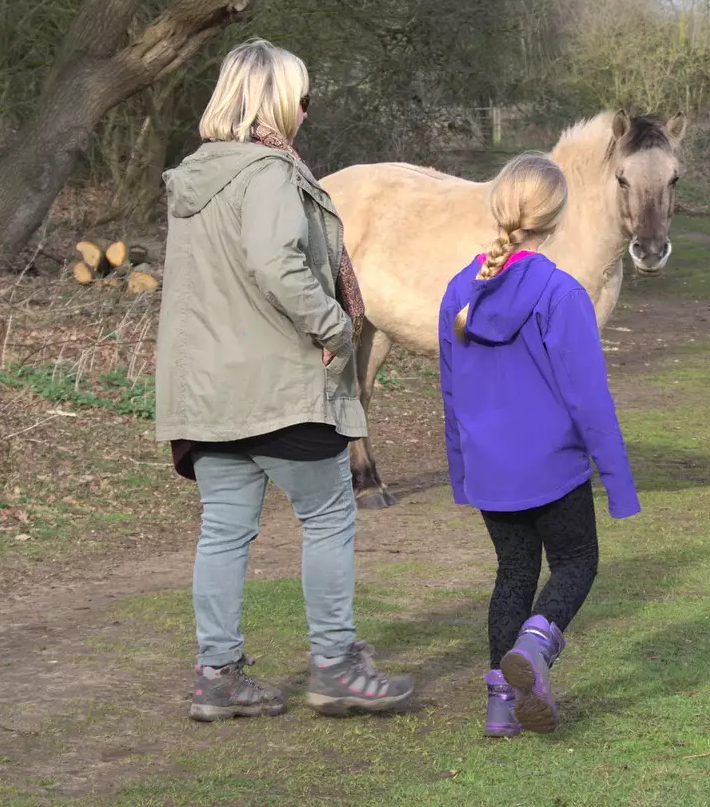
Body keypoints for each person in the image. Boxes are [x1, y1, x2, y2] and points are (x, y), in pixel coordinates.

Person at [154, 38, 413, 722]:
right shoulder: (269, 174)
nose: (306, 108)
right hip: (277, 389)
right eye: (303, 95)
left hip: (207, 393)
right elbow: (275, 264)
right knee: (328, 518)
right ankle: (334, 668)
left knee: (223, 532)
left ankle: (218, 676)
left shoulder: (193, 180)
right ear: (276, 100)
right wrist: (333, 326)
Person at [436, 152, 641, 737]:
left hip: (492, 470)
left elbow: (451, 392)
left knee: (513, 575)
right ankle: (536, 644)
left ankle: (501, 709)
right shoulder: (563, 293)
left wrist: (462, 472)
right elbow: (589, 399)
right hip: (553, 467)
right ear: (557, 216)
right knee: (577, 561)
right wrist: (618, 483)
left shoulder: (457, 291)